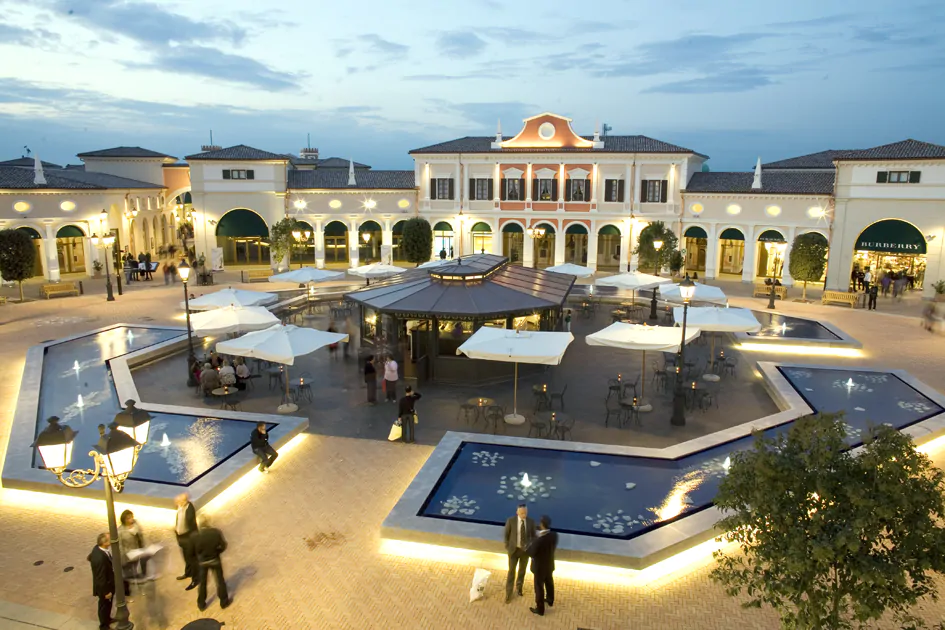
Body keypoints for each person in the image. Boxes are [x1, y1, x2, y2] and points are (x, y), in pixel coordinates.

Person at [194, 514, 230, 611]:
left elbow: (195, 550)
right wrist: (217, 552)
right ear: (208, 522)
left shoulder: (196, 536)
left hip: (203, 562)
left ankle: (201, 604)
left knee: (203, 583)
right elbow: (223, 545)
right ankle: (224, 602)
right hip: (215, 559)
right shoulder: (216, 532)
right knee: (220, 580)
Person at [526, 515, 558, 616]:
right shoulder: (554, 535)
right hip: (549, 565)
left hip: (539, 568)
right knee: (549, 582)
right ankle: (550, 599)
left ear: (542, 525)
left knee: (539, 587)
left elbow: (531, 552)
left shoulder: (539, 541)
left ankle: (540, 609)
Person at [503, 503, 536, 603]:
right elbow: (506, 535)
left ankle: (519, 587)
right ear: (517, 512)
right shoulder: (511, 521)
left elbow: (533, 536)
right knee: (511, 571)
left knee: (522, 571)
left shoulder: (531, 522)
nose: (524, 515)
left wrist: (529, 547)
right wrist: (508, 547)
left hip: (525, 552)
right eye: (522, 513)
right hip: (514, 551)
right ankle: (508, 593)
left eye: (525, 513)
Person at [88, 532, 115, 630]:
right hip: (104, 587)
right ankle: (103, 626)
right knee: (104, 605)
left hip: (108, 583)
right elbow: (101, 577)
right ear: (105, 543)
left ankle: (107, 619)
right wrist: (106, 592)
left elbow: (90, 557)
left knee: (108, 604)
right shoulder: (100, 558)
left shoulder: (98, 548)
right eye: (110, 539)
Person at [173, 493, 199, 591]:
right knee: (186, 557)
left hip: (189, 538)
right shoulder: (180, 507)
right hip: (181, 537)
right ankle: (188, 573)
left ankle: (196, 579)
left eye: (180, 501)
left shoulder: (190, 509)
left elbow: (191, 524)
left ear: (186, 501)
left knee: (192, 559)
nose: (178, 503)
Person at [118, 510, 145, 587]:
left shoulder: (136, 524)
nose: (131, 519)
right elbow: (120, 545)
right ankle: (130, 586)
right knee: (129, 572)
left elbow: (141, 537)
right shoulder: (120, 530)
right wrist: (123, 557)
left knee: (137, 569)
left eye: (132, 517)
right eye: (129, 518)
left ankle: (138, 583)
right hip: (127, 554)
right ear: (125, 519)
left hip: (137, 551)